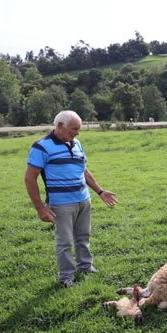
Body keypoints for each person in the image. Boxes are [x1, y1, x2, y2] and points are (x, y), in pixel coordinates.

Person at [25, 110, 118, 288]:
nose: (77, 133)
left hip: (83, 199)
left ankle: (85, 266)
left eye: (78, 129)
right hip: (61, 204)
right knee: (65, 242)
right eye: (73, 129)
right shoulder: (41, 146)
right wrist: (40, 208)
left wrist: (99, 191)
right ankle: (66, 277)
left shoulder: (77, 144)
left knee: (83, 236)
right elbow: (30, 178)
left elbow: (84, 170)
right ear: (59, 126)